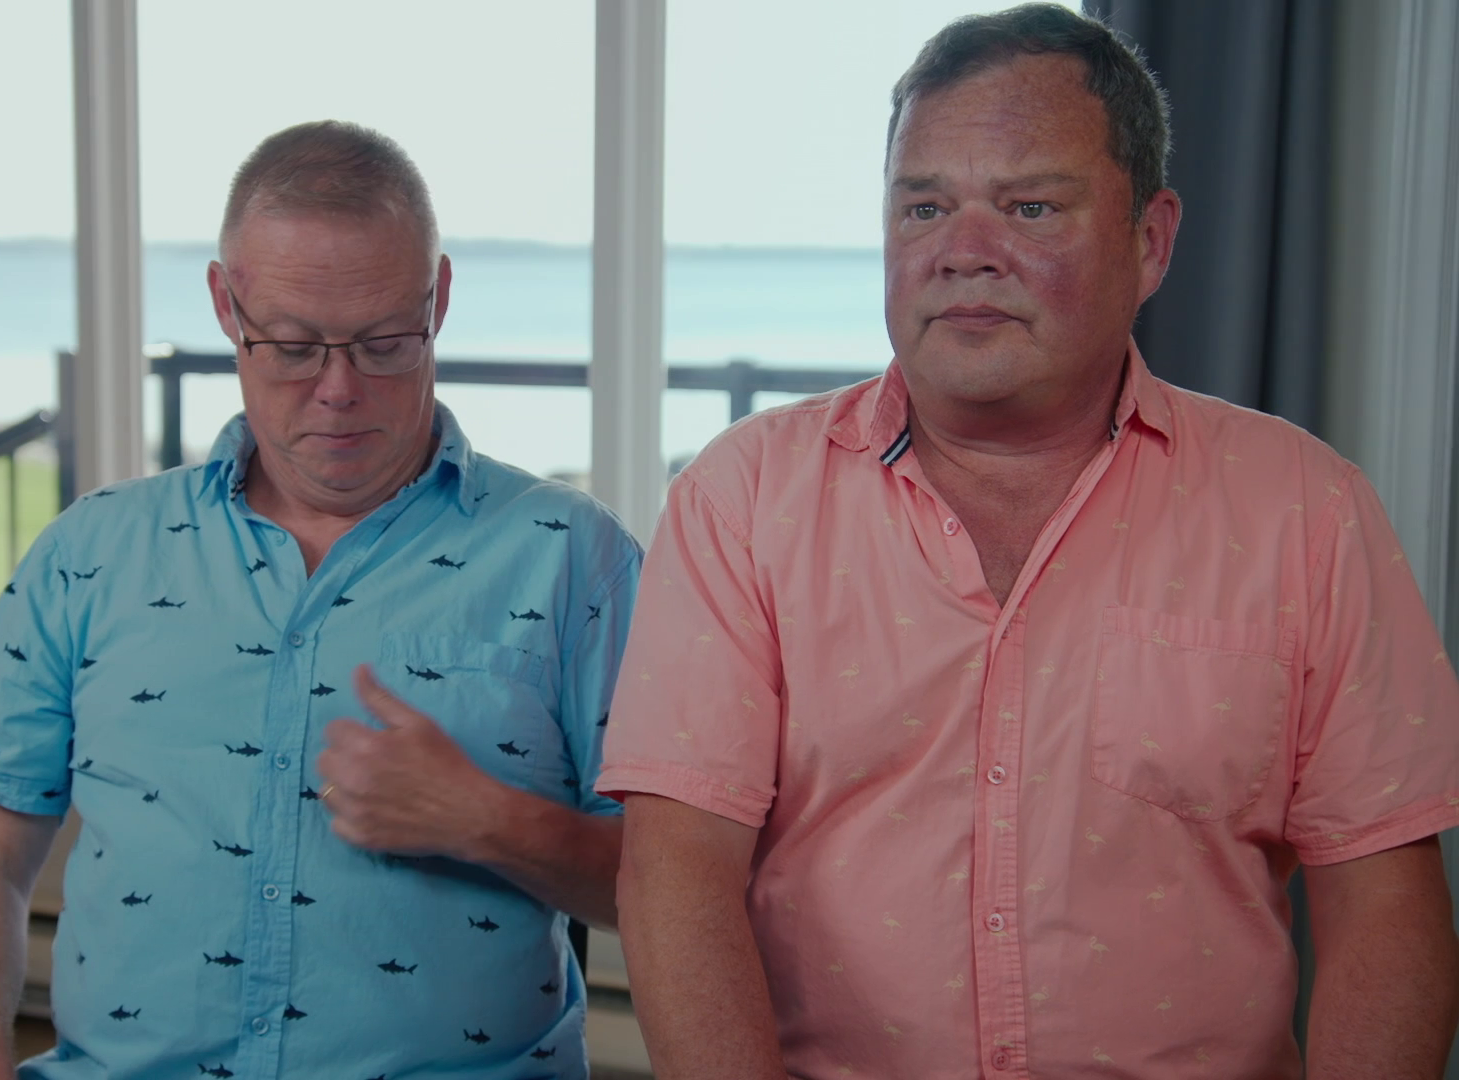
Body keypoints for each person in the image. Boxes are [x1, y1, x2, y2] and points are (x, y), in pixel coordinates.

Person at [601, 6, 1459, 1077]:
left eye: (1030, 206)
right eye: (924, 207)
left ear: (1150, 241)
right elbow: (676, 874)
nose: (963, 254)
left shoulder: (1305, 510)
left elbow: (1384, 904)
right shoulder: (742, 498)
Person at [0, 120, 639, 1080]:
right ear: (225, 303)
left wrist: (491, 821)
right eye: (291, 346)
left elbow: (677, 890)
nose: (339, 389)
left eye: (384, 343)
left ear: (440, 298)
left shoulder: (571, 556)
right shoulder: (93, 549)